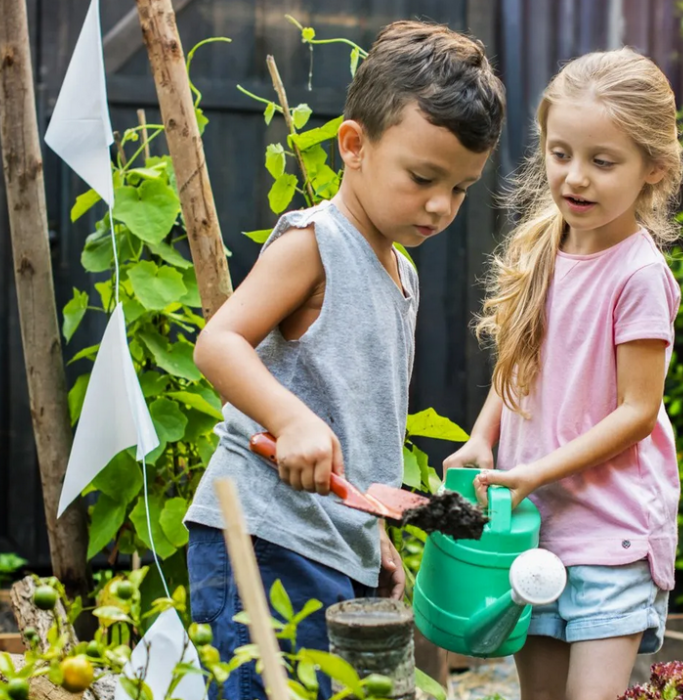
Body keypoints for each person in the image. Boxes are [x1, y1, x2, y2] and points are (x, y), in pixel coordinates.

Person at [184, 20, 505, 700]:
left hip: (335, 544)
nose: (441, 205)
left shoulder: (403, 275)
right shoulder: (315, 242)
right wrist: (289, 419)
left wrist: (374, 537)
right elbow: (217, 343)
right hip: (264, 538)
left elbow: (359, 415)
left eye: (462, 188)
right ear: (354, 145)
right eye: (423, 178)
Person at [443, 47, 683, 700]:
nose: (575, 178)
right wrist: (482, 436)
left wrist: (535, 473)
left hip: (612, 534)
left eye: (603, 162)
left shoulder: (638, 277)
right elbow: (517, 359)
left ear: (653, 168)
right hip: (531, 523)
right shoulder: (540, 245)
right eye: (560, 153)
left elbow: (637, 413)